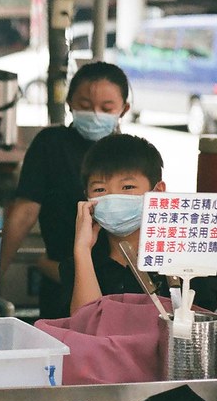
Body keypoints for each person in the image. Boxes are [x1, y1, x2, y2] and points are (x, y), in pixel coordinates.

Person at [0, 61, 131, 319]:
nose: (94, 113)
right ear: (69, 102)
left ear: (124, 109)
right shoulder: (51, 144)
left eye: (106, 108)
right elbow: (24, 213)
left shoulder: (130, 153)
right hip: (60, 283)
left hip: (118, 287)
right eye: (84, 105)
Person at [60, 133, 168, 315]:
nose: (112, 198)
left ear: (157, 192)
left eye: (127, 187)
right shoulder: (79, 262)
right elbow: (86, 324)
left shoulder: (178, 258)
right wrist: (83, 250)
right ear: (87, 197)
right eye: (100, 190)